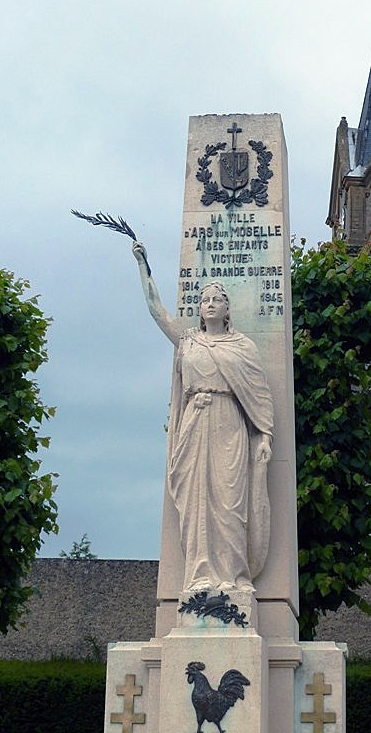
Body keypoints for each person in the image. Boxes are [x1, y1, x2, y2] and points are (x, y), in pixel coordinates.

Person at [132, 241, 274, 593]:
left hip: (230, 424)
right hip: (195, 424)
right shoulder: (188, 341)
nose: (209, 305)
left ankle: (234, 576)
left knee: (229, 503)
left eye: (216, 300)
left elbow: (259, 394)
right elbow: (157, 311)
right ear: (199, 309)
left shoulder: (242, 347)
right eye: (204, 300)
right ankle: (200, 576)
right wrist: (142, 265)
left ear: (227, 309)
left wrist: (266, 436)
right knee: (198, 504)